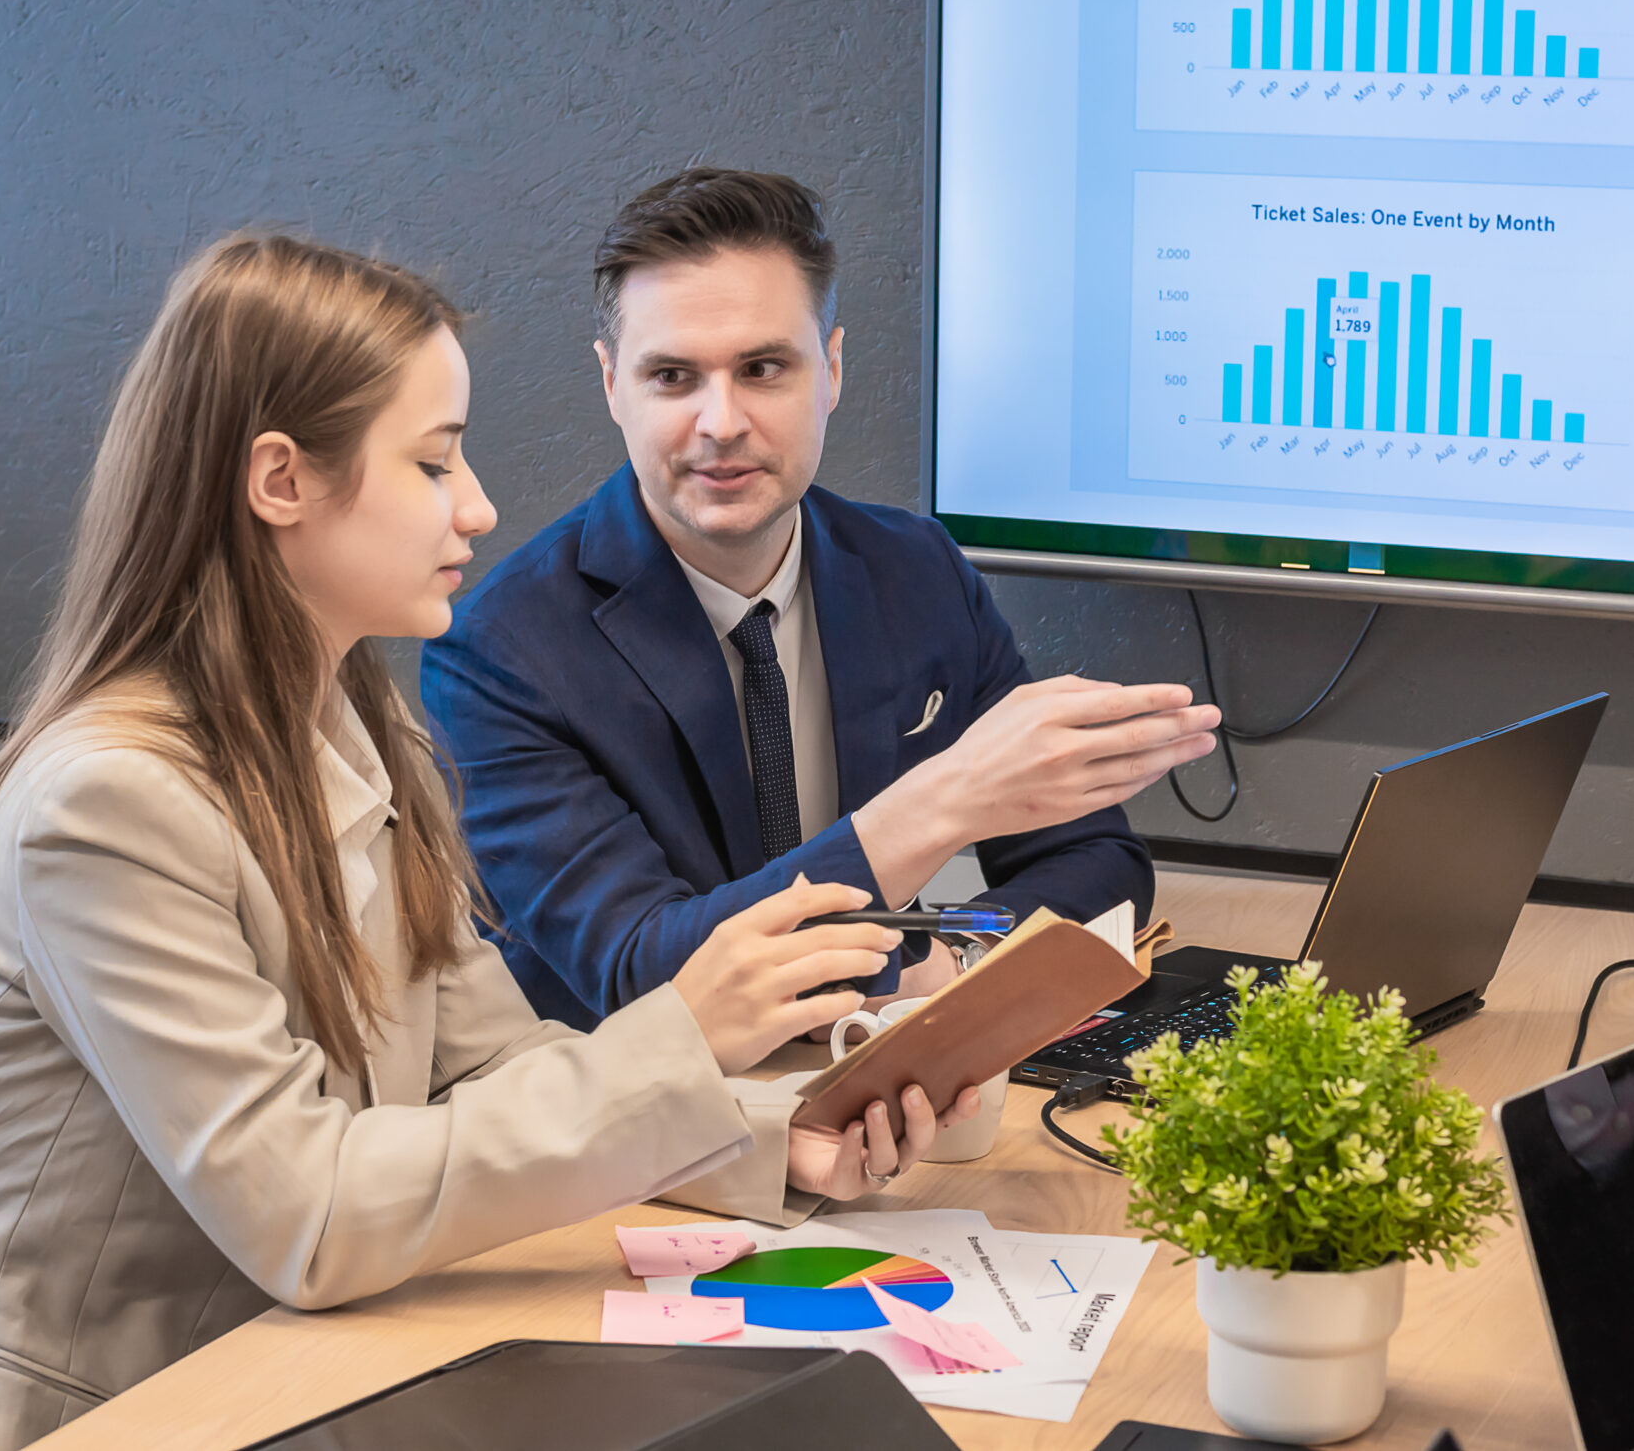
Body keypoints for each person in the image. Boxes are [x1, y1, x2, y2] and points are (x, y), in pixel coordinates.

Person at [0, 234, 977, 1451]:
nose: (478, 504)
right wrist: (687, 1030)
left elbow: (483, 1068)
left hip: (283, 1371)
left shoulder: (350, 722)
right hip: (84, 1416)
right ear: (280, 480)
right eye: (433, 461)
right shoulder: (108, 804)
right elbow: (309, 1213)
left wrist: (768, 1138)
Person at [425, 169, 1220, 1028]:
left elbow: (1095, 858)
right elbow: (642, 971)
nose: (721, 421)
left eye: (763, 367)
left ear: (832, 370)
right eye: (672, 377)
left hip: (889, 1094)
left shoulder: (917, 570)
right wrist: (942, 801)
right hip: (654, 1132)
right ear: (612, 383)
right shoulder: (500, 651)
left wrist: (957, 958)